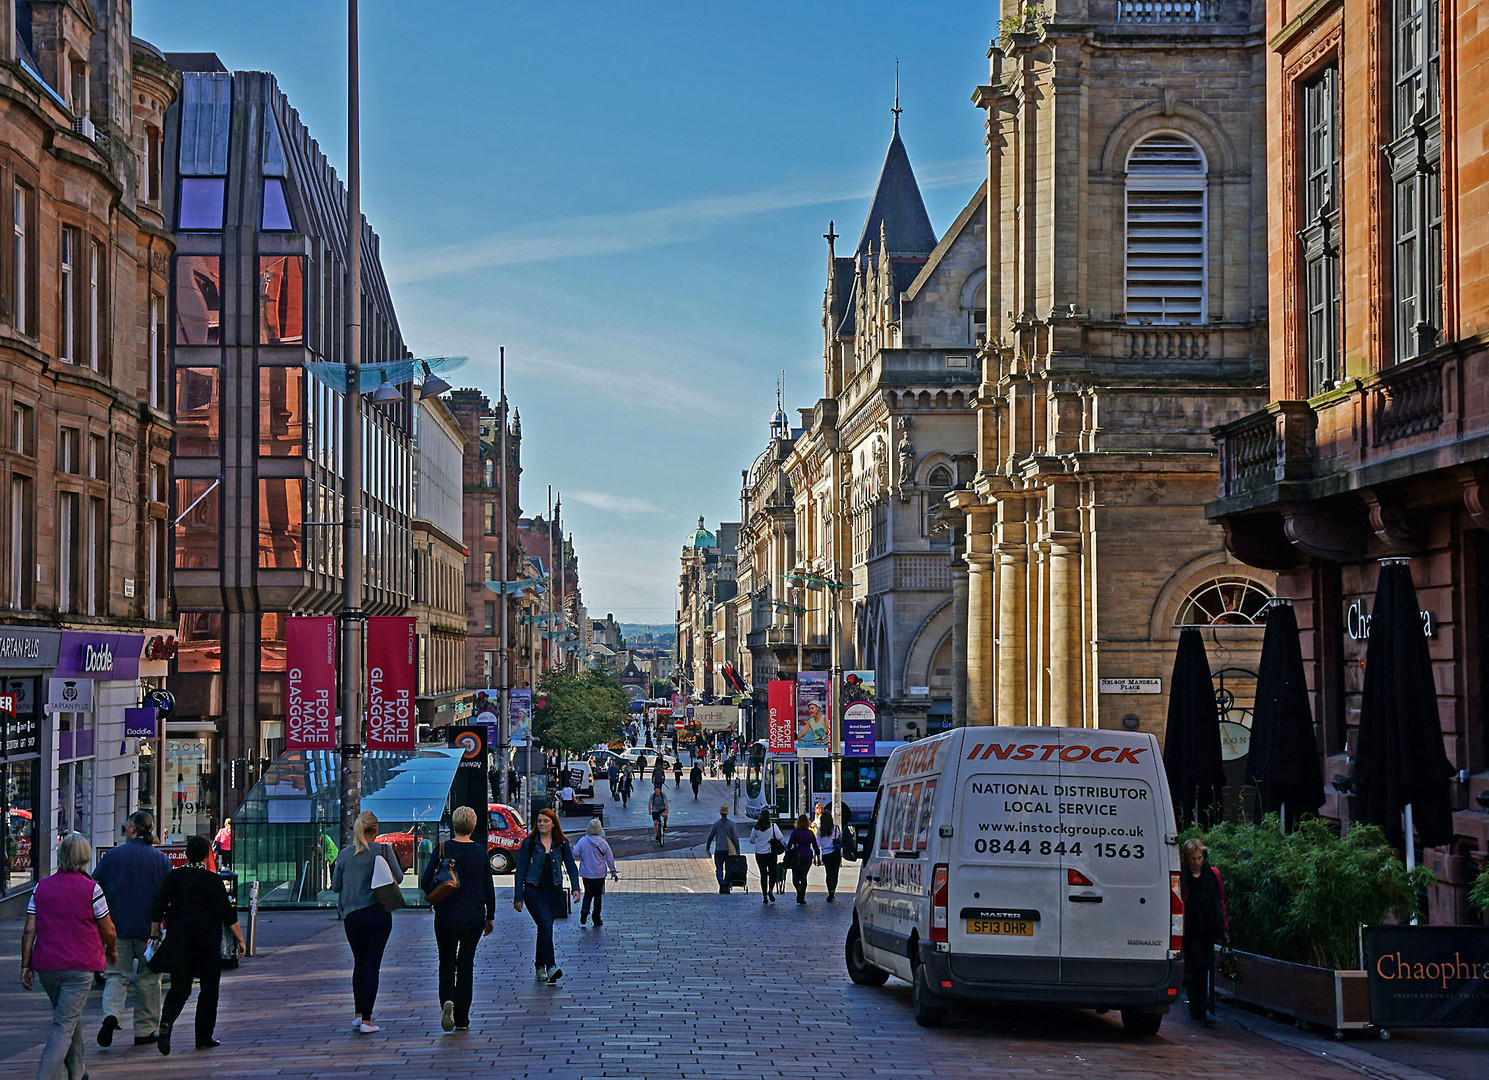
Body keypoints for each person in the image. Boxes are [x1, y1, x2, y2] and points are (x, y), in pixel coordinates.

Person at [20, 833, 117, 1080]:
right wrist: (112, 950)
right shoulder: (92, 889)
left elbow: (29, 929)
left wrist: (25, 965)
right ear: (85, 857)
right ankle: (46, 1076)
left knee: (68, 1016)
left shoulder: (41, 888)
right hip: (80, 965)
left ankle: (78, 1072)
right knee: (63, 1024)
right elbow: (107, 928)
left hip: (48, 966)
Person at [150, 834, 245, 1055]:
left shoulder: (175, 877)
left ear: (186, 854)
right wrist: (240, 940)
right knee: (209, 989)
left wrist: (155, 931)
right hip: (206, 943)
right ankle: (203, 1037)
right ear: (206, 854)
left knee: (179, 988)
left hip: (179, 941)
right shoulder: (212, 880)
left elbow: (159, 905)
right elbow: (227, 913)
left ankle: (166, 1023)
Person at [93, 810, 172, 1047]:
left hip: (117, 926)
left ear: (133, 829)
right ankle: (145, 1029)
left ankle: (111, 1014)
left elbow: (95, 887)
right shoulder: (161, 860)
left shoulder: (112, 857)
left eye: (127, 826)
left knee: (116, 976)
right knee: (149, 978)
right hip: (150, 930)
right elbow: (167, 896)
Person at [417, 806, 495, 1034]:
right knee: (466, 964)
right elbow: (488, 886)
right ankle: (462, 1018)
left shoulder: (443, 849)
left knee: (447, 961)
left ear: (454, 824)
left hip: (446, 915)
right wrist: (490, 916)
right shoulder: (480, 852)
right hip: (473, 916)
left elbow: (424, 881)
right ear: (473, 826)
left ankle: (447, 1001)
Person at [331, 811, 404, 1033]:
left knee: (359, 963)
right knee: (373, 965)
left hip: (352, 916)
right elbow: (398, 878)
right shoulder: (383, 851)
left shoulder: (345, 854)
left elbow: (335, 886)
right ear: (376, 830)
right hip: (378, 914)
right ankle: (367, 1020)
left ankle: (358, 1013)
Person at [513, 809, 581, 983]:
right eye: (539, 821)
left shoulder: (561, 843)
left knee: (544, 929)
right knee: (545, 925)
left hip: (554, 892)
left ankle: (539, 967)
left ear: (553, 823)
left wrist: (575, 888)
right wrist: (518, 897)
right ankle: (551, 966)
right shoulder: (530, 843)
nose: (542, 824)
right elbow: (520, 870)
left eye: (545, 821)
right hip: (533, 890)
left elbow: (571, 866)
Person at [1180, 838, 1229, 1025]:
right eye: (1192, 858)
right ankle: (1197, 1005)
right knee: (1195, 965)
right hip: (1189, 926)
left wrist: (1223, 927)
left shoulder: (1212, 874)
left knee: (1204, 965)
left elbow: (1219, 900)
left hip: (1207, 926)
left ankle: (1199, 1004)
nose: (1196, 862)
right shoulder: (1183, 875)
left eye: (1199, 858)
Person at [571, 819, 618, 926]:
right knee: (598, 895)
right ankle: (596, 917)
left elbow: (575, 852)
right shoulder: (603, 842)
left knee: (588, 893)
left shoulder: (583, 840)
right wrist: (613, 871)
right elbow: (610, 858)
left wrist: (582, 856)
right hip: (599, 873)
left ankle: (584, 910)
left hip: (586, 872)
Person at [748, 810, 784, 905]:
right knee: (772, 873)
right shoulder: (773, 826)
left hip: (759, 854)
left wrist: (759, 842)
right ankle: (771, 890)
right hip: (770, 853)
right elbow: (780, 837)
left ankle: (764, 895)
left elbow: (751, 840)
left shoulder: (756, 828)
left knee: (763, 874)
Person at [784, 814, 821, 905]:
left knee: (795, 877)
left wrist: (787, 851)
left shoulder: (795, 832)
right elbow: (815, 846)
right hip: (808, 855)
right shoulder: (810, 833)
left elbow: (789, 844)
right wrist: (818, 855)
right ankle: (802, 896)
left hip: (797, 855)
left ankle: (799, 890)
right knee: (804, 876)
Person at [703, 806, 741, 895]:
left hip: (719, 849)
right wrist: (738, 851)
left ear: (720, 813)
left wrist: (707, 846)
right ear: (727, 814)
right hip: (729, 851)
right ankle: (726, 885)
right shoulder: (732, 824)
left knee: (719, 868)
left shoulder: (716, 824)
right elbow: (735, 838)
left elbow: (710, 837)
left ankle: (721, 882)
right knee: (728, 869)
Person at [817, 807, 843, 902]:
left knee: (828, 873)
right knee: (835, 873)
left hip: (826, 854)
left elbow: (817, 844)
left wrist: (817, 855)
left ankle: (829, 891)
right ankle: (833, 890)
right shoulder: (836, 828)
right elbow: (840, 839)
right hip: (835, 853)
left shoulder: (820, 830)